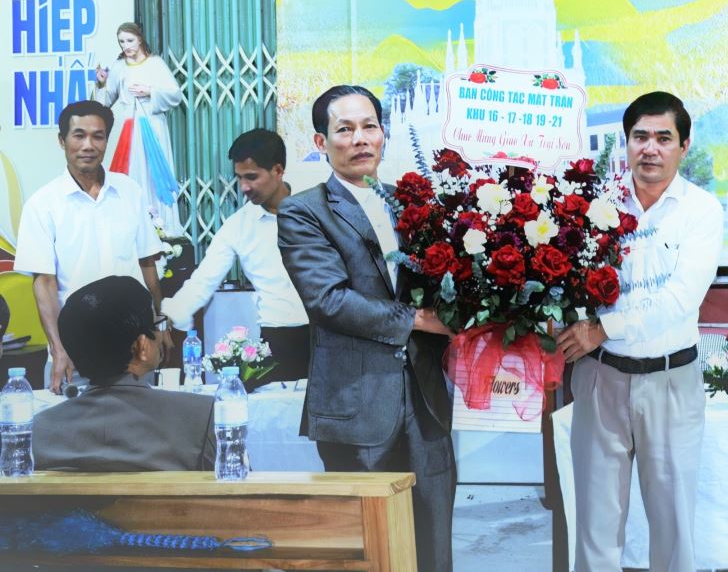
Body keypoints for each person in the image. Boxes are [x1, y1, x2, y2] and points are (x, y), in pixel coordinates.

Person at [276, 85, 455, 572]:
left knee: (433, 543)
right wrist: (418, 319)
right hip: (355, 405)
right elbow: (328, 300)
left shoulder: (411, 204)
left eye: (369, 126)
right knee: (366, 550)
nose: (360, 139)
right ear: (321, 142)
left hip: (425, 402)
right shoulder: (303, 211)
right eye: (345, 129)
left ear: (383, 133)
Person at [556, 91, 724, 572]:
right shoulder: (595, 206)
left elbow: (680, 298)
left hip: (671, 382)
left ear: (684, 146)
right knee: (595, 525)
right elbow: (567, 281)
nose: (650, 148)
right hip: (599, 377)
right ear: (626, 142)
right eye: (640, 136)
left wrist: (602, 328)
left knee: (673, 527)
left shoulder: (701, 210)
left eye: (663, 138)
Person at [13, 100, 164, 394]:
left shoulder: (130, 192)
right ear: (62, 140)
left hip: (135, 349)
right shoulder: (42, 205)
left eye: (98, 136)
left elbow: (147, 264)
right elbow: (44, 283)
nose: (88, 145)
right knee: (75, 422)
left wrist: (160, 325)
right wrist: (59, 349)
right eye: (79, 135)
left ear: (107, 140)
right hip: (77, 351)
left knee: (138, 420)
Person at [162, 129, 310, 384]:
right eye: (239, 178)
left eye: (252, 177)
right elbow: (203, 281)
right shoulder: (238, 226)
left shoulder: (316, 210)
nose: (244, 187)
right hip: (277, 340)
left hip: (328, 336)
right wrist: (168, 316)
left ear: (278, 170)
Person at [32, 275, 216, 471]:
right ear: (142, 347)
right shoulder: (201, 417)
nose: (161, 333)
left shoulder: (39, 431)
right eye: (157, 324)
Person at [93, 21, 185, 235]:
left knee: (154, 175)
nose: (126, 46)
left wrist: (150, 91)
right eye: (122, 42)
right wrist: (101, 84)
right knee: (131, 174)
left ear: (140, 39)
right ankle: (132, 227)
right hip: (129, 128)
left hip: (153, 126)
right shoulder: (119, 67)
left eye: (130, 40)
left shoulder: (155, 64)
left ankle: (162, 227)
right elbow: (104, 103)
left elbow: (175, 94)